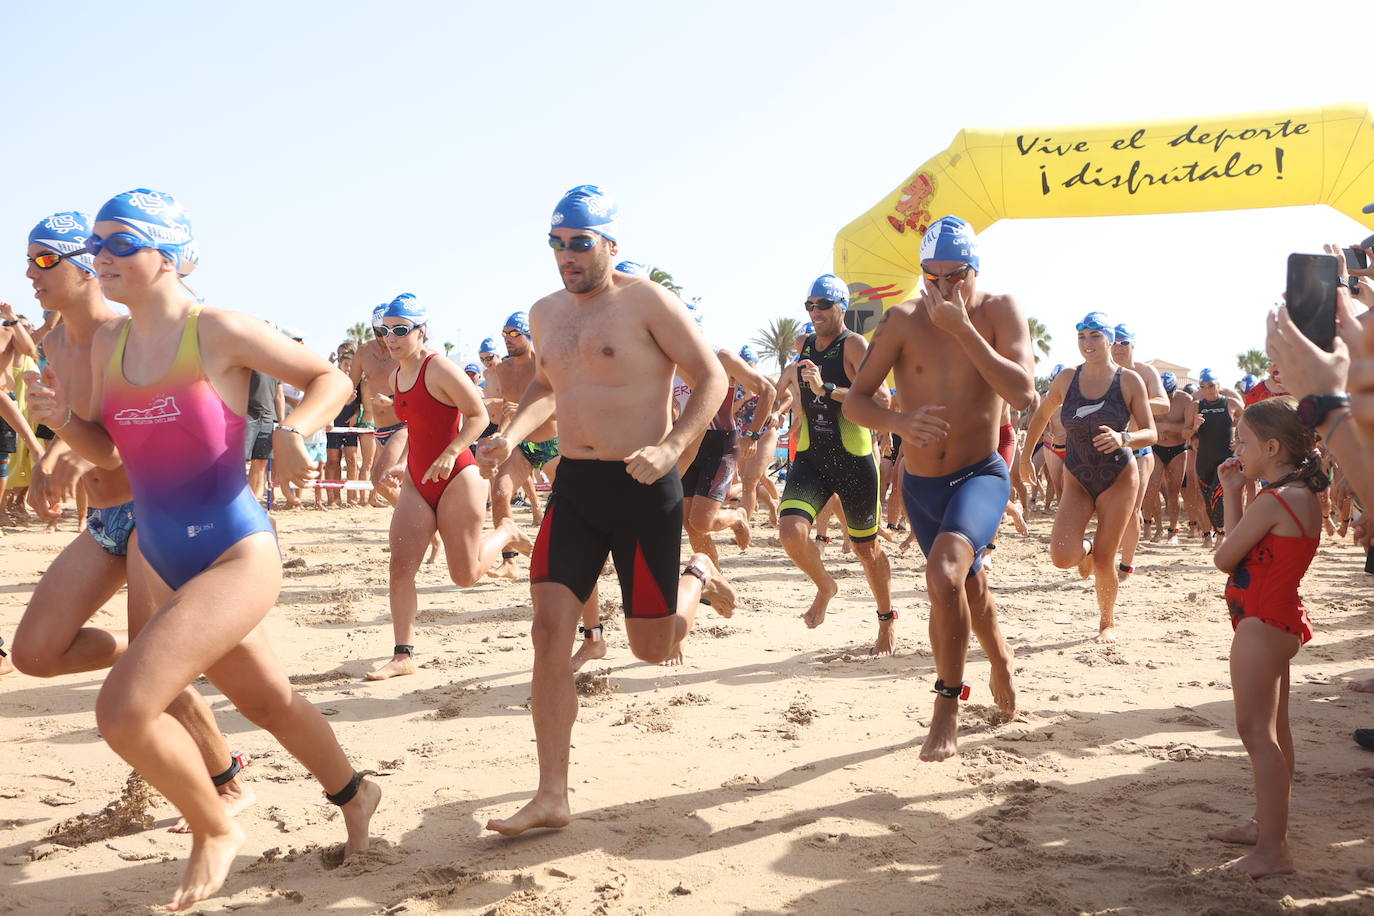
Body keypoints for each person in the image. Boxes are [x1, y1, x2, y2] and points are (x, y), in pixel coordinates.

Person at [25, 189, 378, 911]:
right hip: (159, 550)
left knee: (125, 711)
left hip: (234, 551)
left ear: (165, 255)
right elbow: (106, 450)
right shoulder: (107, 343)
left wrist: (295, 432)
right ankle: (356, 792)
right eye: (97, 245)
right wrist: (62, 423)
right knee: (268, 700)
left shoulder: (214, 327)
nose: (103, 257)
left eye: (121, 243)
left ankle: (214, 827)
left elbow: (330, 377)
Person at [478, 185, 734, 836]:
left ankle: (698, 580)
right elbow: (546, 383)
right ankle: (551, 795)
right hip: (577, 491)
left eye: (580, 243)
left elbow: (711, 377)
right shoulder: (544, 313)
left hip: (646, 489)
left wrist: (674, 445)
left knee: (652, 650)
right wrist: (512, 433)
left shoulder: (646, 302)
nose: (566, 255)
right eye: (557, 243)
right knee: (547, 633)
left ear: (610, 244)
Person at [16, 210, 252, 829]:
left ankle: (226, 782)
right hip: (106, 519)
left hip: (157, 511)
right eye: (27, 259)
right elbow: (74, 421)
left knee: (156, 679)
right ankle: (147, 647)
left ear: (82, 267)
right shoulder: (52, 342)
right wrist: (48, 457)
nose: (30, 272)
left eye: (46, 259)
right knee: (35, 654)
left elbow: (122, 433)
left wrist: (62, 448)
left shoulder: (127, 331)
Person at [846, 215, 1034, 759]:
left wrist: (963, 329)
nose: (944, 288)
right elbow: (858, 400)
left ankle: (947, 703)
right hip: (924, 484)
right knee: (967, 587)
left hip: (980, 473)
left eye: (956, 276)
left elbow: (1022, 393)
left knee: (944, 572)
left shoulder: (999, 310)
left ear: (975, 270)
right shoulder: (903, 318)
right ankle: (1000, 660)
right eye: (932, 276)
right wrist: (899, 425)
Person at [364, 294, 531, 680]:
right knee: (401, 566)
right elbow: (415, 427)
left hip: (458, 475)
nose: (392, 338)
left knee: (465, 576)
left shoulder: (438, 368)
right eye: (385, 331)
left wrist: (452, 451)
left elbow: (476, 415)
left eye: (401, 330)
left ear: (421, 331)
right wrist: (402, 466)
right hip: (418, 482)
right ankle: (403, 654)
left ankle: (506, 531)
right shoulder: (395, 376)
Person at [1206, 396, 1325, 877]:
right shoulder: (1294, 496)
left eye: (1245, 441)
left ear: (1272, 446)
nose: (1237, 447)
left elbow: (1224, 556)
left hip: (1261, 624)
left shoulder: (1277, 500)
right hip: (1277, 620)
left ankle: (1274, 850)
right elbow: (1241, 544)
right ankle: (1266, 826)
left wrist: (1242, 495)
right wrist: (1234, 490)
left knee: (1256, 733)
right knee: (1275, 730)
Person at [775, 273, 896, 655]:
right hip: (812, 456)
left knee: (867, 550)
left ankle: (886, 618)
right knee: (790, 532)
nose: (815, 312)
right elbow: (788, 385)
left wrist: (826, 388)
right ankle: (825, 586)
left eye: (823, 305)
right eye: (810, 306)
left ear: (841, 306)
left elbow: (881, 399)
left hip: (853, 458)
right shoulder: (803, 344)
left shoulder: (854, 344)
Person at [1019, 312, 1156, 644]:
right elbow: (1040, 415)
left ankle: (1106, 622)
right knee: (1062, 557)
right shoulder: (1067, 378)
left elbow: (1151, 432)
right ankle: (1088, 551)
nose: (1087, 343)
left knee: (1107, 560)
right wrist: (1025, 457)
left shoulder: (1129, 381)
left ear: (1109, 340)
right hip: (1078, 477)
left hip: (1119, 477)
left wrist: (1125, 438)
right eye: (1082, 337)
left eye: (1095, 336)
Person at [485, 310, 560, 579]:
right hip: (521, 445)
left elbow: (565, 407)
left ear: (529, 335)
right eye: (505, 334)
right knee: (500, 493)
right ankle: (510, 561)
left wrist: (528, 411)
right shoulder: (502, 371)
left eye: (514, 334)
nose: (508, 339)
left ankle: (593, 552)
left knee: (572, 502)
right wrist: (501, 430)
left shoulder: (545, 364)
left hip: (552, 442)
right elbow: (505, 412)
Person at [1109, 323, 1169, 579]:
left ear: (1133, 345)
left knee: (1133, 508)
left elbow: (1163, 404)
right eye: (1115, 342)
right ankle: (1106, 556)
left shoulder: (1146, 372)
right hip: (1110, 449)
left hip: (1140, 450)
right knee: (1109, 508)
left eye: (1124, 342)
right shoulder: (1103, 372)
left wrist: (1133, 401)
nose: (1119, 347)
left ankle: (1125, 566)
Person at [352, 305, 408, 506]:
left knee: (381, 479)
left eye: (388, 331)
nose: (383, 337)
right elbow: (350, 386)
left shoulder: (404, 352)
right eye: (379, 331)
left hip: (403, 425)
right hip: (379, 428)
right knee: (394, 483)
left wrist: (393, 401)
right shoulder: (364, 352)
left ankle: (416, 519)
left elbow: (419, 391)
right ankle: (422, 524)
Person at [1184, 369, 1244, 549]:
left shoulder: (1231, 403)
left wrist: (1239, 440)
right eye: (1203, 386)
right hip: (1204, 459)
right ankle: (1207, 535)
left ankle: (1221, 534)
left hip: (1225, 459)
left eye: (1211, 385)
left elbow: (1247, 423)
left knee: (1217, 495)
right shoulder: (1195, 406)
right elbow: (1184, 433)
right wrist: (1194, 429)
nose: (1208, 390)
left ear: (1218, 385)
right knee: (1204, 499)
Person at [1147, 371, 1193, 545]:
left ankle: (1172, 531)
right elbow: (1145, 420)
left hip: (1178, 449)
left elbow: (1188, 428)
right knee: (1152, 489)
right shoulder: (1152, 398)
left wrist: (1167, 427)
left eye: (1170, 393)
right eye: (1164, 393)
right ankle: (1158, 528)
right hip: (1156, 447)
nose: (1167, 397)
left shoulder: (1185, 400)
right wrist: (1158, 429)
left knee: (1174, 493)